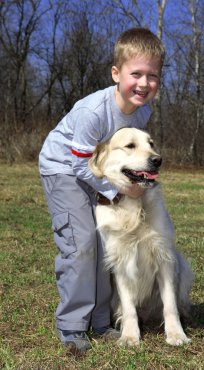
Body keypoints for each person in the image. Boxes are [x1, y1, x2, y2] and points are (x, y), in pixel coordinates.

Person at [39, 27, 165, 352]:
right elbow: (80, 165)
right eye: (135, 73)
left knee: (102, 247)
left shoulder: (143, 112)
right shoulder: (92, 113)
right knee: (80, 244)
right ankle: (72, 328)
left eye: (152, 76)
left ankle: (100, 320)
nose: (143, 83)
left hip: (98, 174)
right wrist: (115, 191)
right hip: (64, 169)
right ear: (115, 73)